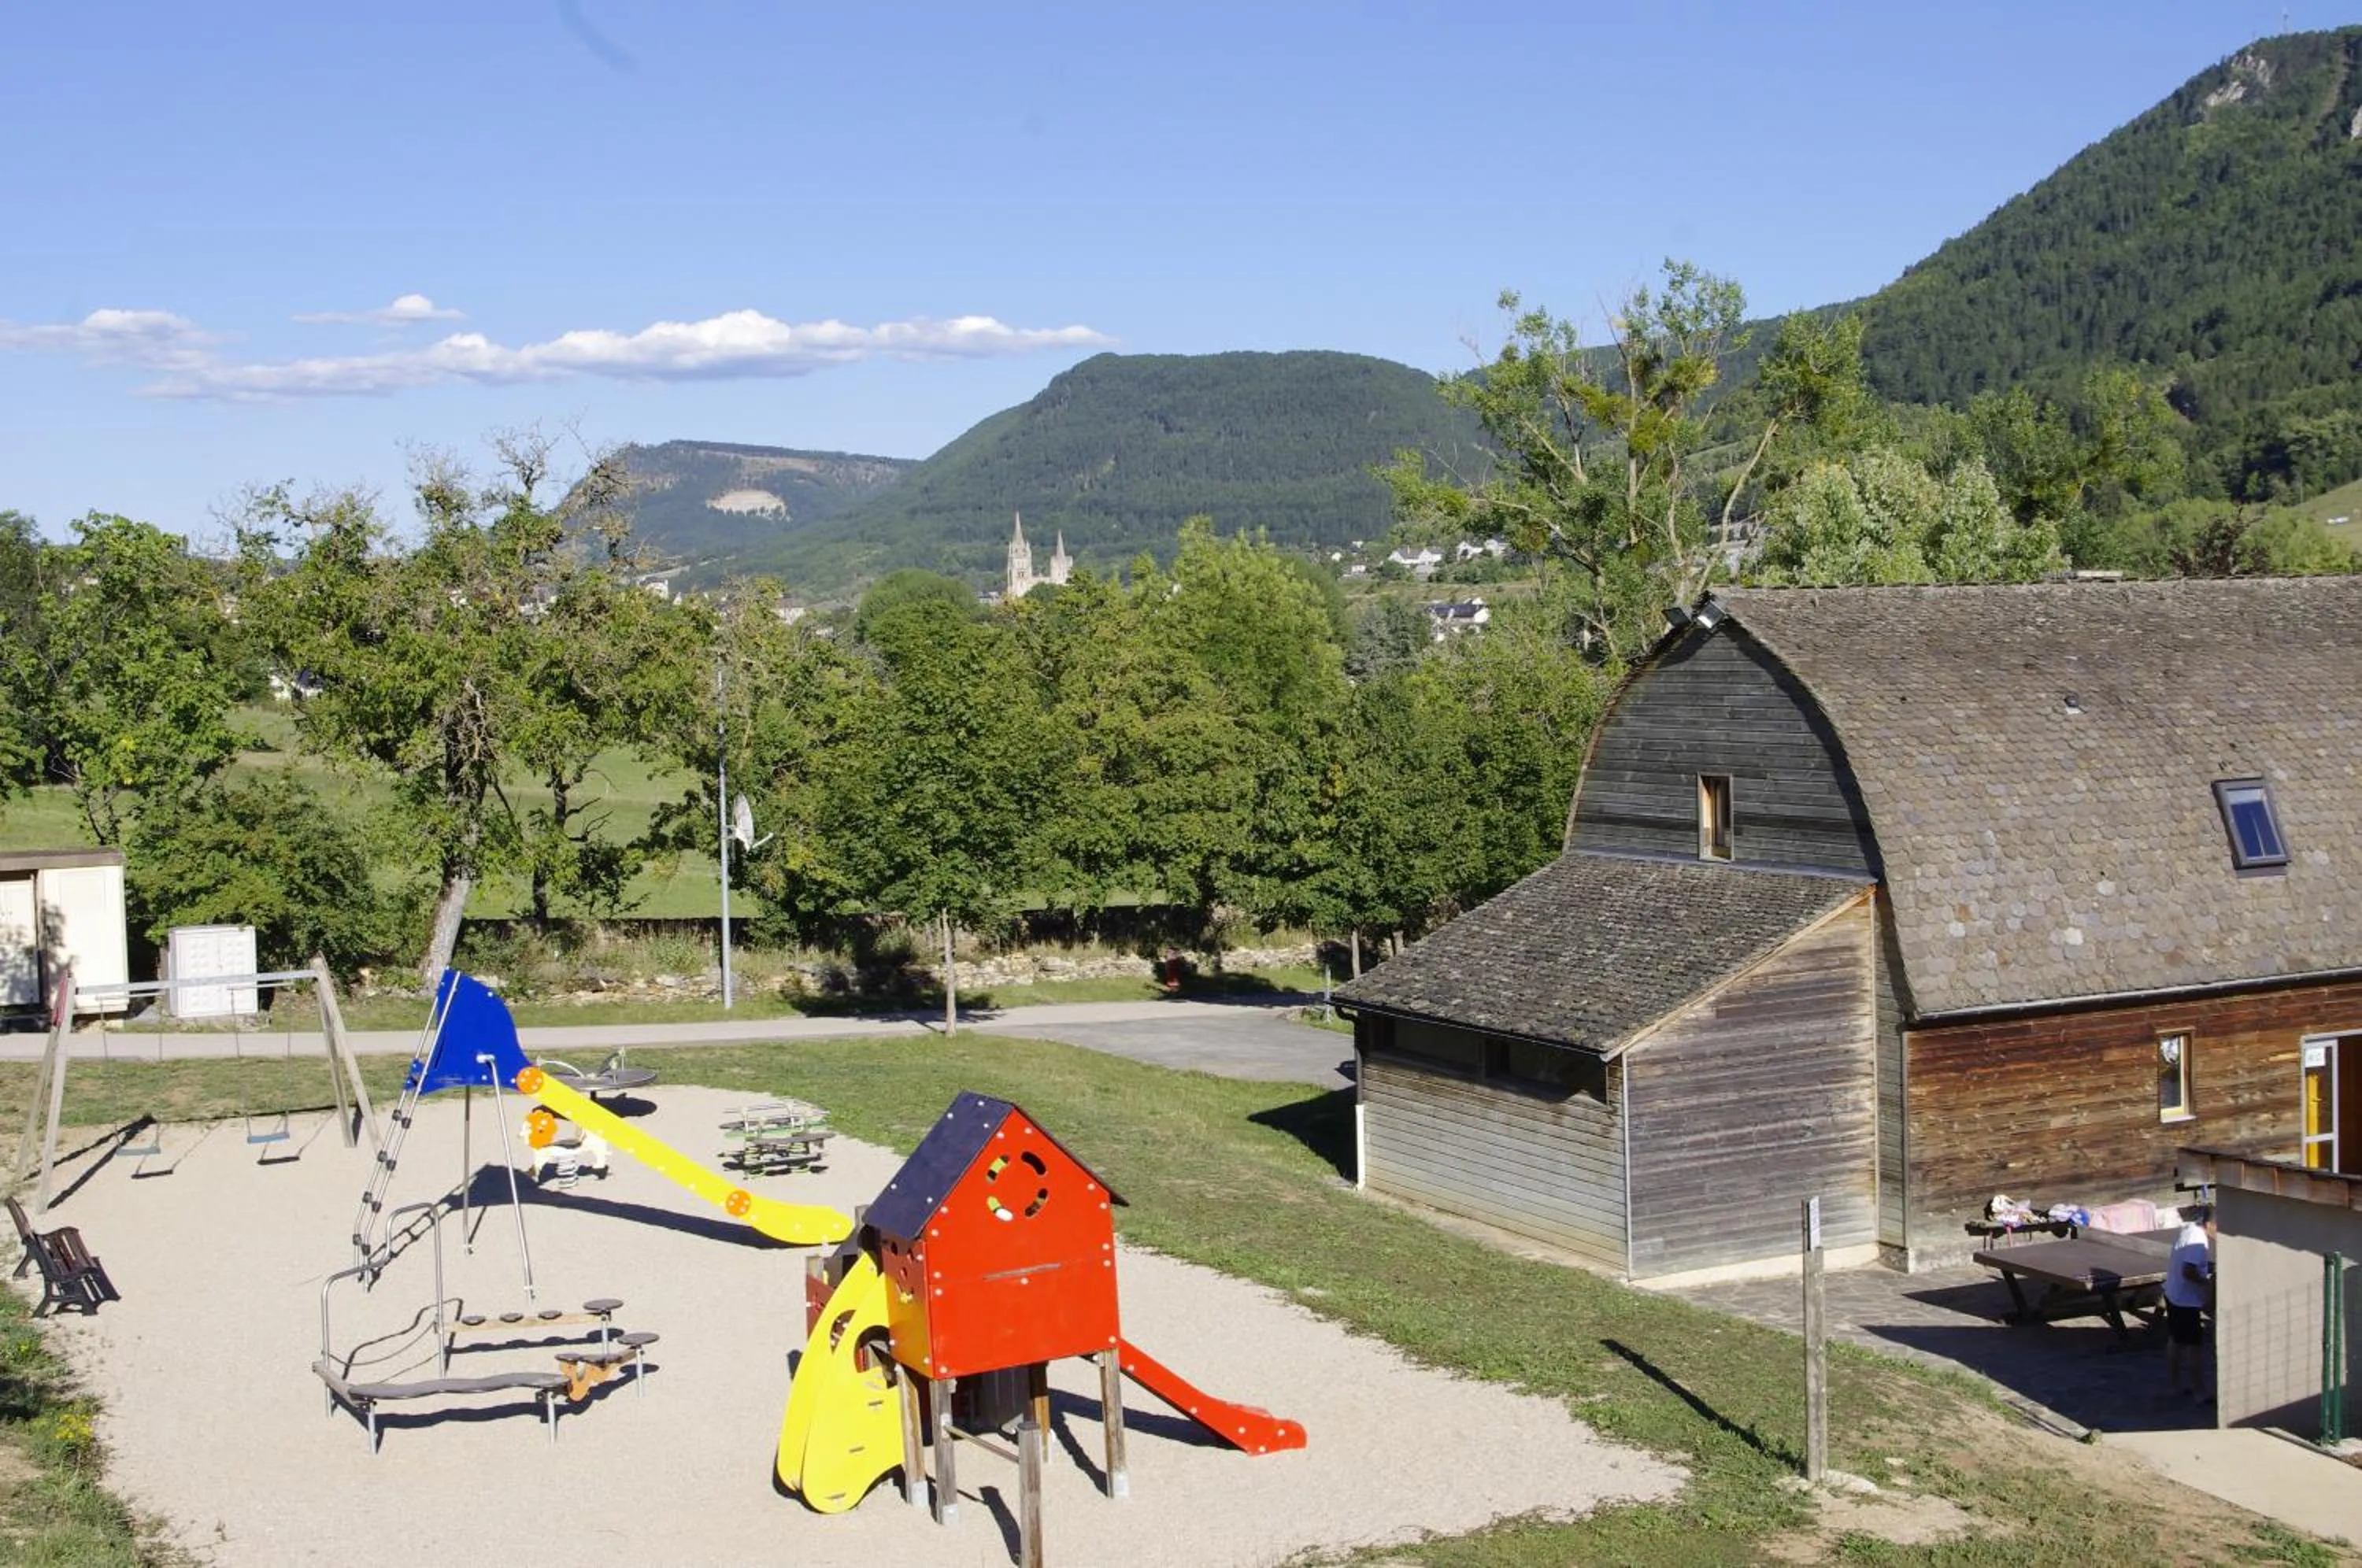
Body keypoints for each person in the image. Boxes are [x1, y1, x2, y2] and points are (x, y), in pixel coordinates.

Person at [2163, 1203, 2215, 1401]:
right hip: (2186, 1301)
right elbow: (2189, 1271)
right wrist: (2207, 1283)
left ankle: (2173, 1386)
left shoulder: (2187, 1229)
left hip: (2173, 1294)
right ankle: (2199, 1391)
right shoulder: (2199, 1240)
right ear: (2210, 1224)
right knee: (2193, 1347)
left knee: (2175, 1341)